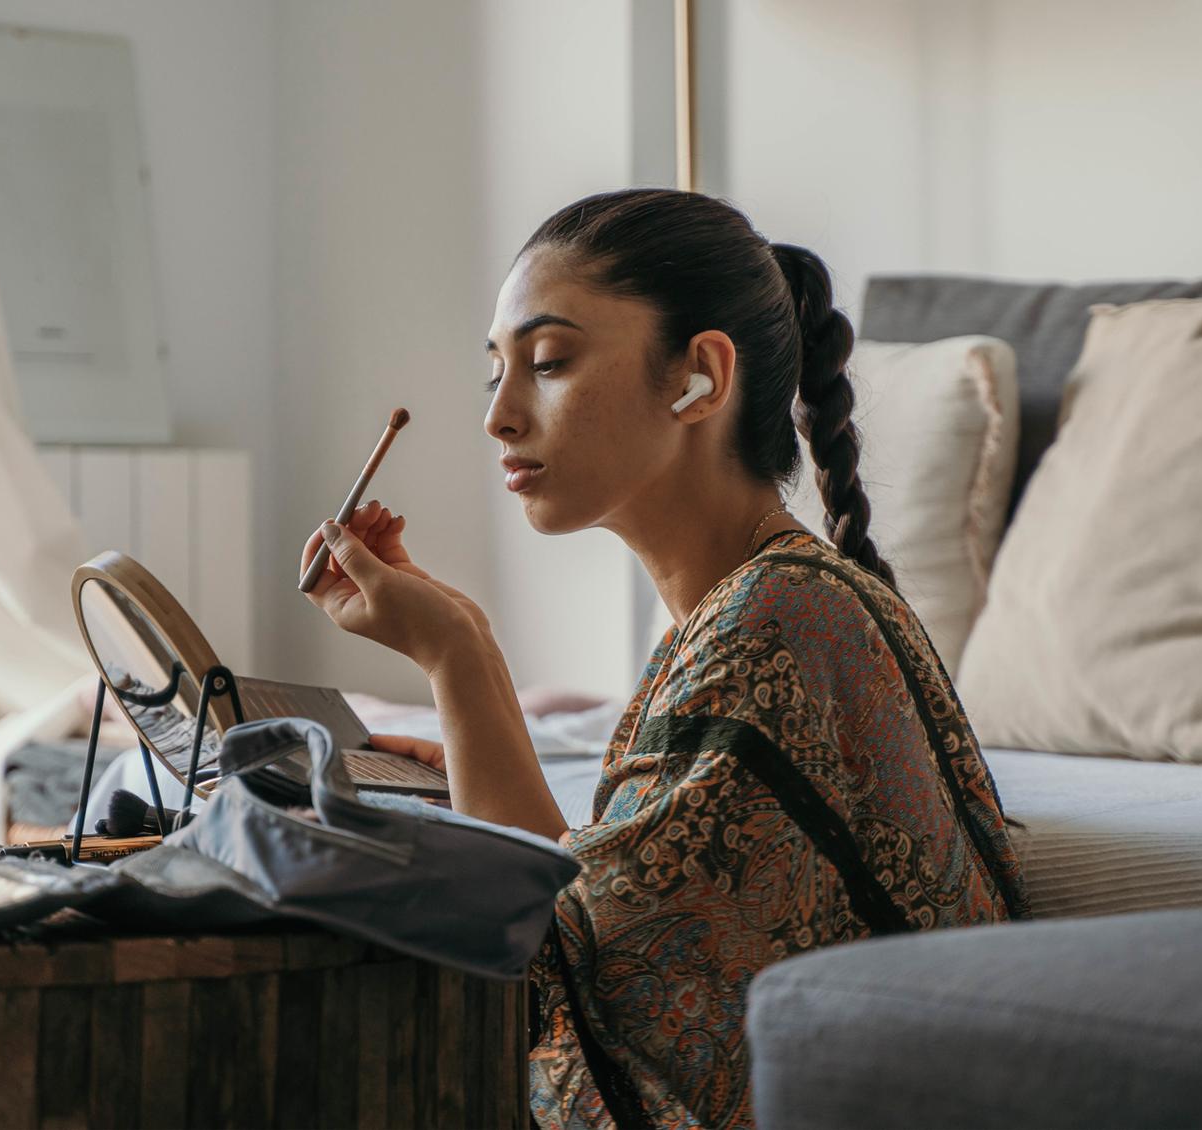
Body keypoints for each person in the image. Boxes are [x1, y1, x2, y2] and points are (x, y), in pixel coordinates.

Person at [300, 189, 1026, 1130]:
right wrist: (476, 714)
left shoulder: (776, 621)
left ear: (700, 377)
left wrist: (460, 658)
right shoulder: (758, 604)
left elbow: (547, 981)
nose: (501, 417)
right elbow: (606, 914)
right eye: (497, 373)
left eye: (549, 361)